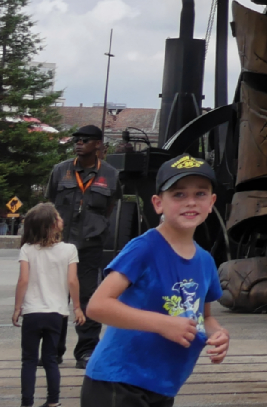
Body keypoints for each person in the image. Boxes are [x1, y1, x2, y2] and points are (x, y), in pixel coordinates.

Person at [81, 155, 228, 406]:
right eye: (179, 194)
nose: (190, 202)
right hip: (119, 381)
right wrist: (163, 324)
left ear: (212, 201)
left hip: (163, 383)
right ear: (158, 203)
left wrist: (218, 334)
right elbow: (98, 306)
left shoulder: (205, 261)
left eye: (200, 194)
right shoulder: (144, 248)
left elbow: (204, 316)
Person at [47, 125, 120, 368]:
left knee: (88, 298)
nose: (78, 143)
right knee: (55, 298)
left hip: (90, 245)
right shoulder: (61, 171)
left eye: (85, 140)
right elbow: (49, 205)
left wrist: (95, 228)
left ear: (98, 144)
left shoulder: (110, 174)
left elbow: (110, 207)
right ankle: (52, 352)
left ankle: (86, 351)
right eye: (76, 139)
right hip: (59, 244)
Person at [15, 202, 81, 407]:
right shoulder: (69, 249)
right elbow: (72, 281)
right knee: (50, 359)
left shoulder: (27, 249)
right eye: (58, 217)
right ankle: (53, 401)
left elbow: (23, 280)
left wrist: (18, 307)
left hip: (32, 313)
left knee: (28, 360)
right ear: (53, 225)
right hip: (56, 313)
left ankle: (27, 403)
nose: (62, 220)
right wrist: (77, 307)